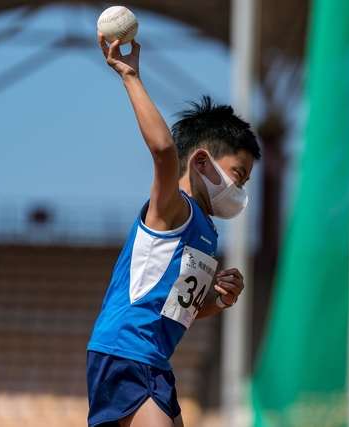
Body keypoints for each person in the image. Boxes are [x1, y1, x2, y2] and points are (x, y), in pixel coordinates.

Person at [86, 32, 261, 427]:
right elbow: (164, 151)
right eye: (238, 174)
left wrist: (216, 302)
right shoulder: (172, 209)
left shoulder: (207, 233)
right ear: (200, 162)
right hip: (126, 352)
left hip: (152, 359)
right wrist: (130, 75)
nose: (240, 189)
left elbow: (177, 310)